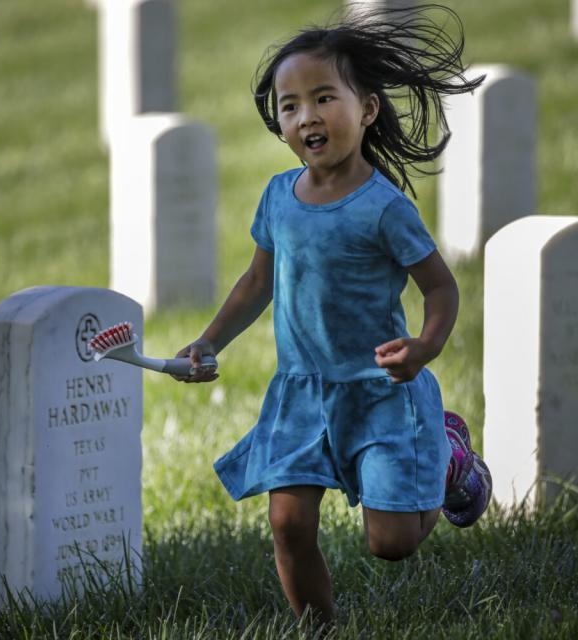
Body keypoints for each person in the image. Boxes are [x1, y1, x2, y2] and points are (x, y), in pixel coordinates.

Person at [172, 5, 484, 625]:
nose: (306, 116)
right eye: (290, 105)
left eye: (322, 98)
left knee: (390, 544)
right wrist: (209, 341)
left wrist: (423, 347)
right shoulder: (277, 199)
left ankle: (449, 458)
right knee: (287, 522)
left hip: (380, 392)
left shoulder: (384, 208)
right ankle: (320, 628)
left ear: (366, 109)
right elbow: (257, 281)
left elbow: (441, 289)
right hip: (302, 395)